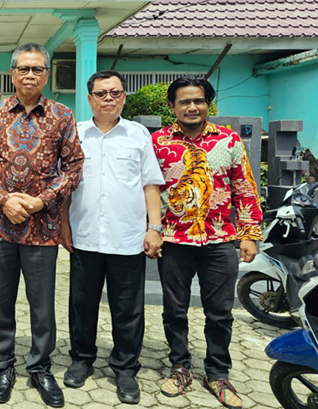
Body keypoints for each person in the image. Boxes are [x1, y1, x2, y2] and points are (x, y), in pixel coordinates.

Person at [0, 43, 84, 408]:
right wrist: (5, 200)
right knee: (0, 302)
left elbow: (74, 166)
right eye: (23, 68)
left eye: (37, 69)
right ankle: (3, 365)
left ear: (47, 74)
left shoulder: (62, 115)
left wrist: (42, 200)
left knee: (42, 305)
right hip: (0, 225)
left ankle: (40, 367)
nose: (30, 75)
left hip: (42, 227)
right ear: (12, 73)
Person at [152, 76, 261, 409]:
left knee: (220, 312)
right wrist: (150, 229)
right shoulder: (157, 142)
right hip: (174, 239)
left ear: (208, 105)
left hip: (219, 239)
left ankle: (217, 373)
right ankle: (180, 367)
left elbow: (244, 186)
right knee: (174, 310)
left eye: (198, 101)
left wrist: (249, 233)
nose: (192, 107)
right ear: (172, 106)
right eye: (184, 101)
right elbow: (148, 190)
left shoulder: (228, 140)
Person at [60, 70, 164, 405]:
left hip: (127, 237)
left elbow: (150, 183)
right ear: (89, 98)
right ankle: (81, 360)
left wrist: (155, 227)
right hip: (84, 236)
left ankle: (125, 369)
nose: (108, 99)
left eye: (115, 93)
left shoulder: (138, 135)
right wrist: (63, 225)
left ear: (123, 97)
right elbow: (64, 187)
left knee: (127, 309)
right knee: (82, 305)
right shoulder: (75, 134)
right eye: (101, 93)